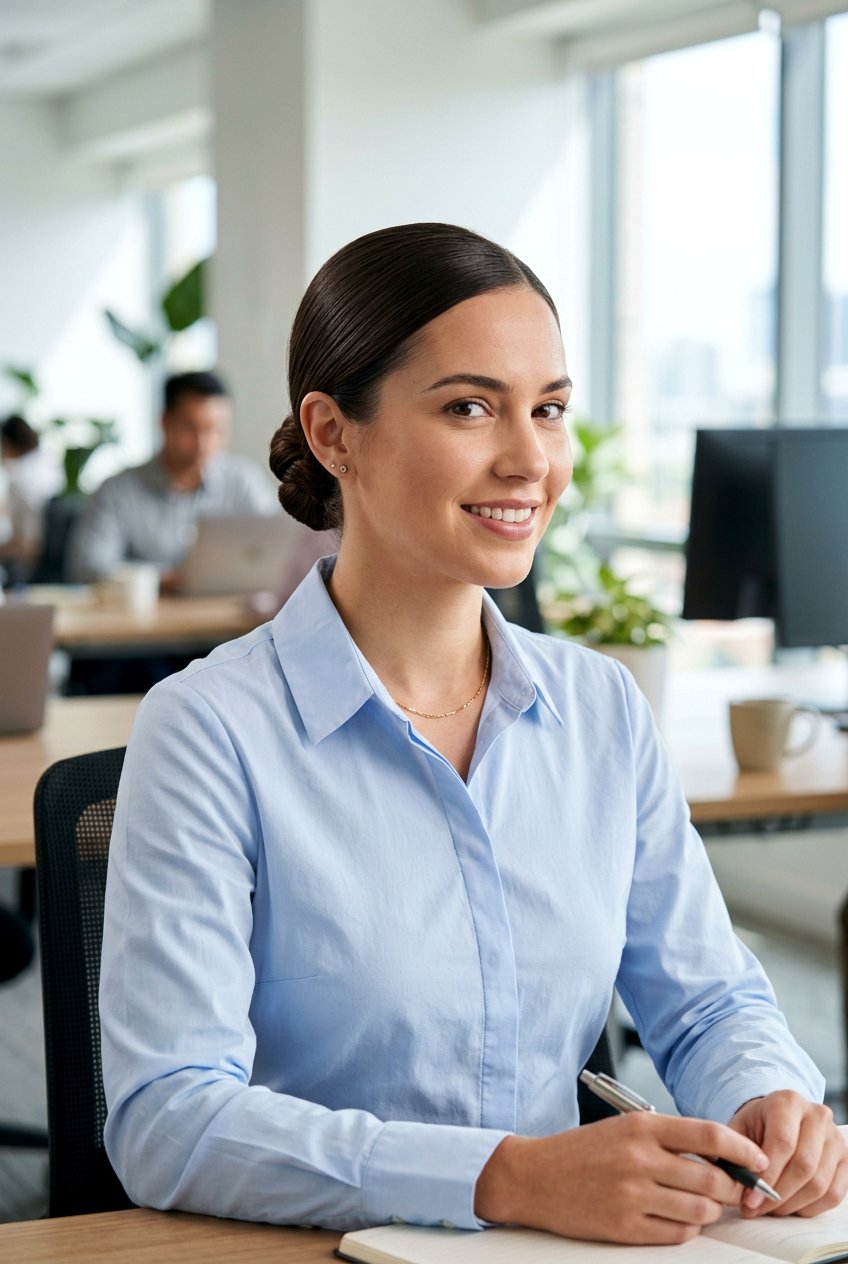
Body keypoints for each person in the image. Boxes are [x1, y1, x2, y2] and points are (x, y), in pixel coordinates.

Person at [100, 223, 847, 1245]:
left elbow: (708, 998)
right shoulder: (208, 729)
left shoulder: (597, 708)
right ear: (333, 434)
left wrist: (767, 1093)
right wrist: (502, 1177)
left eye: (547, 409)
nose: (529, 459)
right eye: (469, 407)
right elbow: (167, 1119)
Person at [67, 370, 277, 589]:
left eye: (216, 430)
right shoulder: (118, 490)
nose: (203, 443)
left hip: (229, 616)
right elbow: (88, 567)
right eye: (191, 427)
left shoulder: (244, 482)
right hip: (142, 620)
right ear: (165, 422)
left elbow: (277, 550)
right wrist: (161, 580)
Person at [0, 415, 63, 581]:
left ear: (6, 445)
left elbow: (29, 546)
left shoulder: (20, 481)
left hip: (29, 572)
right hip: (56, 565)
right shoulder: (50, 465)